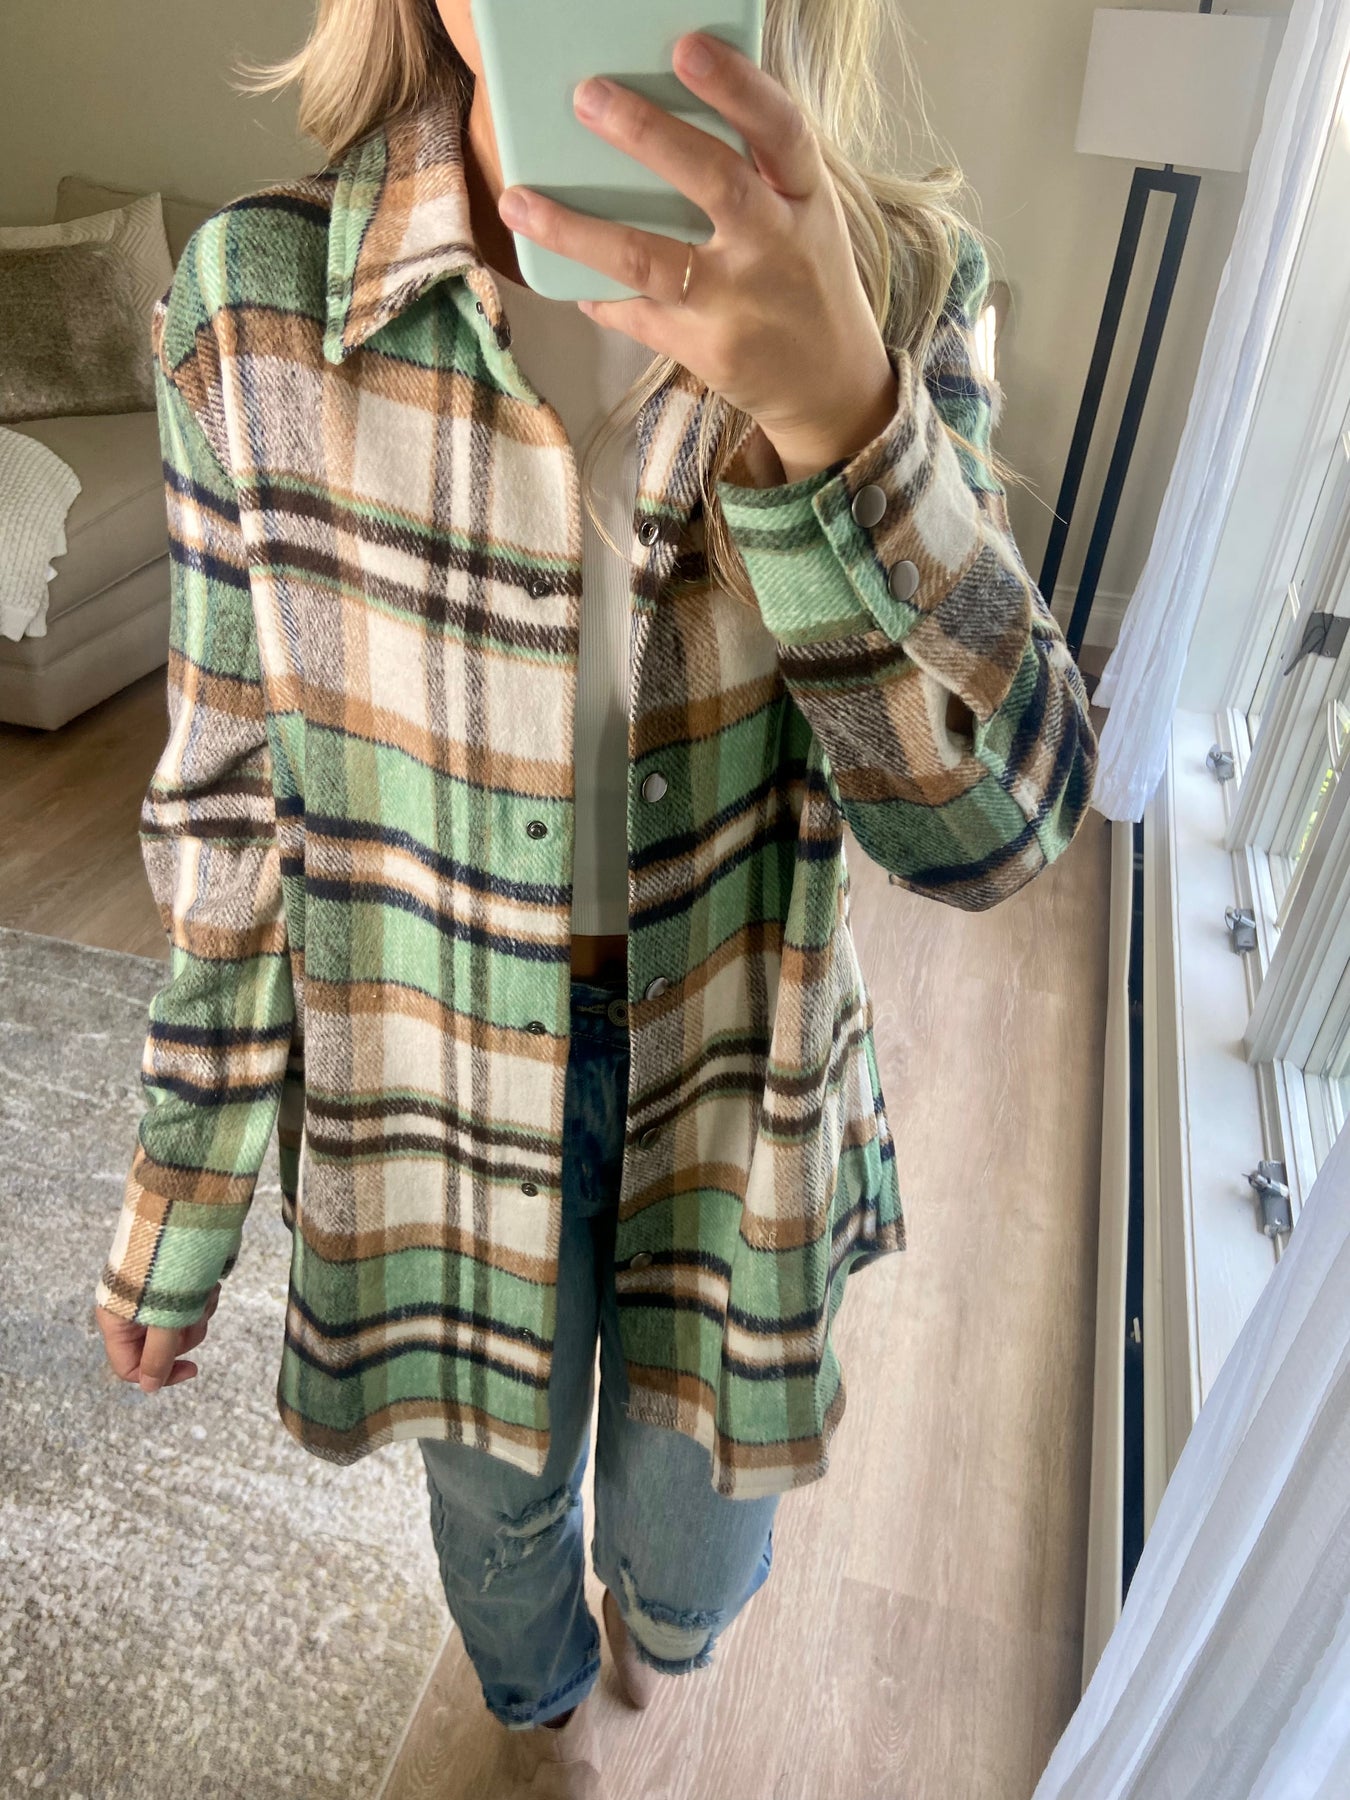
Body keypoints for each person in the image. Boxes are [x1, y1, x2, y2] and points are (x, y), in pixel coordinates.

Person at [93, 1, 1099, 1793]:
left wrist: (835, 417)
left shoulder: (893, 289)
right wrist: (182, 1191)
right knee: (489, 1494)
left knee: (694, 1528)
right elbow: (232, 799)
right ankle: (536, 1695)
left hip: (733, 1068)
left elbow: (993, 829)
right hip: (424, 1068)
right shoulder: (256, 303)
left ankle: (662, 1631)